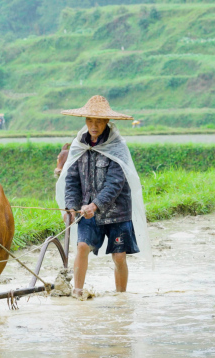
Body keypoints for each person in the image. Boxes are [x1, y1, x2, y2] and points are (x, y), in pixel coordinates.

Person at [55, 95, 148, 297]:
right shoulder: (79, 146)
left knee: (119, 256)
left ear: (107, 122)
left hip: (117, 212)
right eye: (89, 121)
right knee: (81, 247)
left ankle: (121, 298)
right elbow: (71, 179)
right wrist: (71, 206)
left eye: (98, 121)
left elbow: (115, 183)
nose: (93, 125)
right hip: (88, 211)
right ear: (85, 122)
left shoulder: (117, 147)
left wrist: (94, 205)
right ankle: (77, 293)